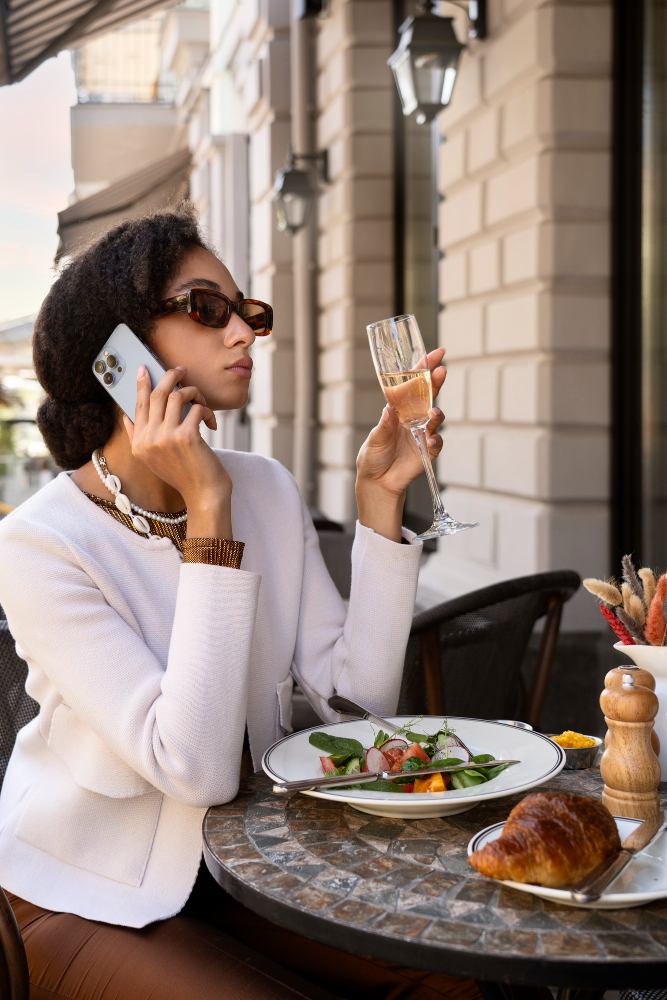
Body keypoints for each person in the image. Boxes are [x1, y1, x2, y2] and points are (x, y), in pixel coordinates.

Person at [0, 205, 484, 1000]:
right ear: (117, 351)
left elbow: (352, 711)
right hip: (84, 893)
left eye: (246, 313)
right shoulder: (42, 543)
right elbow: (189, 767)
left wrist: (377, 505)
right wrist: (209, 514)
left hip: (249, 872)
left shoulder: (265, 485)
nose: (243, 333)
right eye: (206, 309)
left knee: (461, 979)